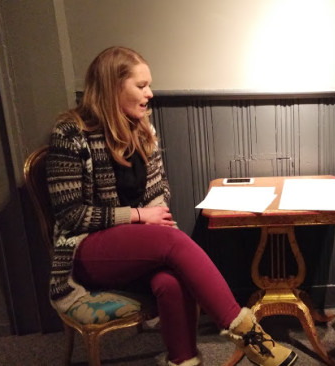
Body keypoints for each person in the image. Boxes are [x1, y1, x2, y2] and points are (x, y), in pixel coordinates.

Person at [45, 46, 298, 366]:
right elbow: (71, 215)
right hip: (85, 251)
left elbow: (158, 190)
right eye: (141, 86)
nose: (149, 94)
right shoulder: (71, 133)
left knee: (172, 280)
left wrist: (151, 217)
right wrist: (138, 216)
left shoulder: (142, 129)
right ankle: (247, 335)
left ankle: (184, 360)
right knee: (170, 242)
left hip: (141, 244)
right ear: (112, 86)